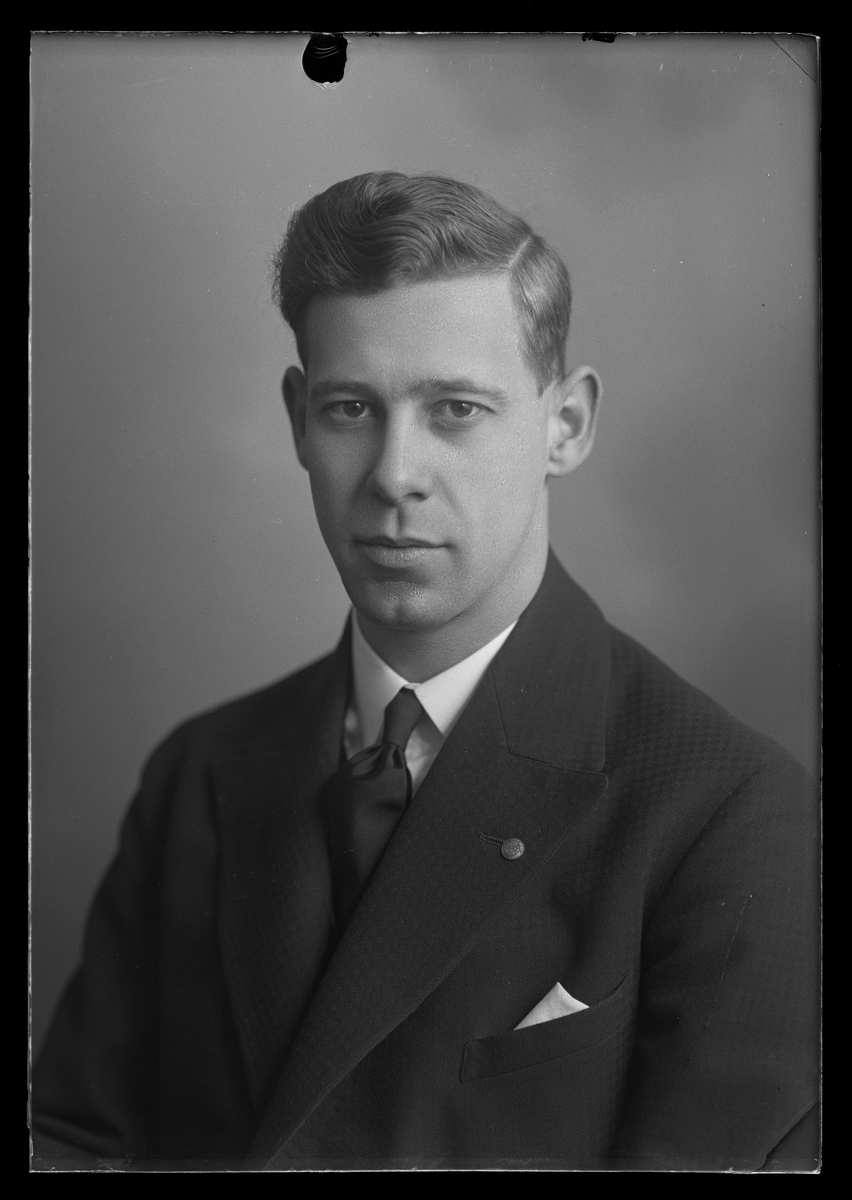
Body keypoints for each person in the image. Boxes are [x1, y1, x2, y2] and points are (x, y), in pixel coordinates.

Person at [31, 172, 819, 1172]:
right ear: (297, 420)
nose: (394, 474)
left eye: (455, 409)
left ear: (566, 425)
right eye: (350, 408)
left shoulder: (731, 813)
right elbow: (74, 1143)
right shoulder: (200, 774)